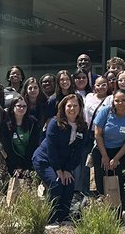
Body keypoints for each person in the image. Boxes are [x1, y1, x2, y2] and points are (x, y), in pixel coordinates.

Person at [33, 93, 88, 225]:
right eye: (69, 106)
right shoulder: (55, 123)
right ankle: (50, 219)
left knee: (69, 184)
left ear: (80, 108)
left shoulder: (82, 126)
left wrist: (68, 169)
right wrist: (58, 170)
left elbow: (78, 151)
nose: (72, 109)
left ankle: (63, 217)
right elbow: (51, 148)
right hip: (45, 159)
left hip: (63, 163)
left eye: (75, 106)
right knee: (56, 183)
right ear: (63, 107)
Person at [92, 90, 125, 214]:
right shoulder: (105, 111)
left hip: (121, 150)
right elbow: (97, 134)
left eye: (123, 100)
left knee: (123, 179)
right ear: (113, 101)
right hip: (102, 148)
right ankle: (104, 209)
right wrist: (105, 156)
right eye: (117, 100)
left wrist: (116, 158)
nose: (120, 103)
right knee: (101, 180)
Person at [0, 97, 43, 180]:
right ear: (12, 107)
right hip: (12, 162)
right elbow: (7, 148)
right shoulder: (6, 125)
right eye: (19, 106)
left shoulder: (33, 122)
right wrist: (17, 166)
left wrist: (26, 166)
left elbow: (34, 145)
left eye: (24, 106)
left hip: (29, 161)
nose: (21, 108)